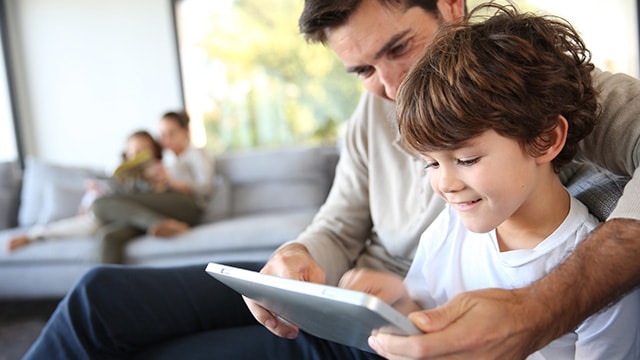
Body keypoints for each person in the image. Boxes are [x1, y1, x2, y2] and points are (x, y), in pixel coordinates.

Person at [24, 0, 640, 359]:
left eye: (399, 48)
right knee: (99, 294)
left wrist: (540, 307)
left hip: (386, 335)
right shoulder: (374, 115)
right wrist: (300, 259)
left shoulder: (543, 93)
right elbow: (340, 221)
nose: (390, 87)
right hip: (353, 296)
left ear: (451, 5)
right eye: (362, 69)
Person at [338, 4, 639, 359]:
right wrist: (395, 305)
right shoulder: (447, 231)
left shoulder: (602, 282)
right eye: (431, 164)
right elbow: (423, 323)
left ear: (545, 139)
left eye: (467, 160)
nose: (445, 183)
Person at [5, 130, 163, 253]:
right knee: (94, 219)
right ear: (126, 153)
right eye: (133, 151)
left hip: (135, 216)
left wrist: (158, 180)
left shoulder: (161, 172)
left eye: (143, 150)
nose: (137, 155)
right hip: (109, 213)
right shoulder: (117, 173)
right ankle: (35, 235)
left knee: (99, 224)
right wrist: (95, 194)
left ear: (153, 151)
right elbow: (104, 193)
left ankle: (36, 235)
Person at [91, 110, 215, 263]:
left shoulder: (195, 154)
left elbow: (205, 188)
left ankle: (155, 222)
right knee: (109, 236)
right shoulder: (168, 159)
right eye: (162, 135)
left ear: (185, 132)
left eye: (171, 133)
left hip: (185, 204)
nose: (166, 139)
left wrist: (169, 181)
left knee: (100, 204)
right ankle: (107, 286)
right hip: (161, 210)